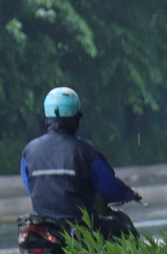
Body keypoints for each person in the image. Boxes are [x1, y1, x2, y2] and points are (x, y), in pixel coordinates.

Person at [20, 86, 141, 238]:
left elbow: (31, 187)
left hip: (43, 226)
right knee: (127, 232)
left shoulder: (29, 151)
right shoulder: (85, 151)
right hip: (79, 226)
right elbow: (109, 188)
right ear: (75, 118)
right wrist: (129, 194)